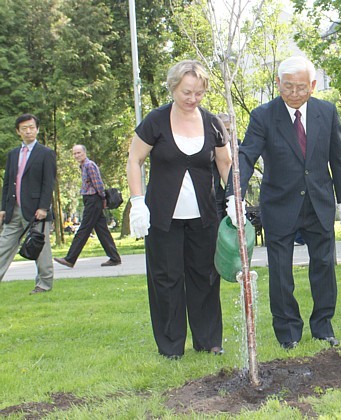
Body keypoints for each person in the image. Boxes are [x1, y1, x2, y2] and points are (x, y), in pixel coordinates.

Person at [226, 55, 341, 350]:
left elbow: (339, 157)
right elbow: (246, 155)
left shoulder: (327, 112)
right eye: (288, 87)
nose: (294, 94)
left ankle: (323, 327)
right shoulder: (263, 116)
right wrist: (235, 192)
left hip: (319, 203)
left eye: (301, 88)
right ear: (278, 83)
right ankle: (288, 333)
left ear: (313, 85)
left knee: (323, 267)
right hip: (280, 205)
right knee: (281, 272)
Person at [126, 60, 232, 359]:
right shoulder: (155, 121)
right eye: (187, 92)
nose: (192, 98)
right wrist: (137, 201)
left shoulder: (212, 123)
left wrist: (235, 198)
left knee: (205, 278)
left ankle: (208, 340)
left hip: (204, 217)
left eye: (199, 93)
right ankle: (171, 346)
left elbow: (225, 164)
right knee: (167, 280)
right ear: (173, 87)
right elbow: (134, 160)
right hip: (163, 218)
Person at [0, 114, 56, 294]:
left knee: (41, 248)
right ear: (18, 132)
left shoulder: (46, 153)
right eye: (24, 128)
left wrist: (43, 207)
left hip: (36, 211)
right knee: (4, 245)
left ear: (37, 129)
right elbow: (7, 183)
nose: (28, 131)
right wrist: (2, 208)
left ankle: (44, 284)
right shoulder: (13, 154)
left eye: (31, 127)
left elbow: (49, 183)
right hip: (13, 209)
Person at [54, 145, 122, 268]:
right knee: (102, 230)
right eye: (74, 153)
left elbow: (98, 183)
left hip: (94, 199)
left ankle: (70, 259)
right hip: (91, 200)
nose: (77, 155)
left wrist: (102, 198)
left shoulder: (89, 165)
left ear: (84, 152)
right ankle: (114, 258)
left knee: (84, 229)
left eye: (79, 153)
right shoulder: (84, 166)